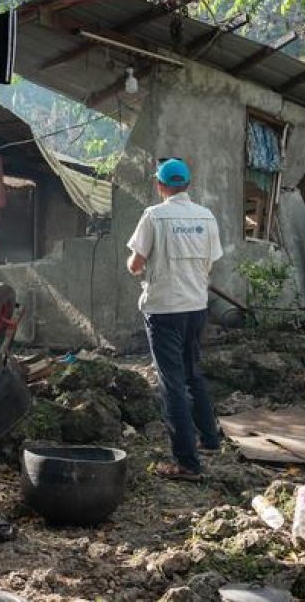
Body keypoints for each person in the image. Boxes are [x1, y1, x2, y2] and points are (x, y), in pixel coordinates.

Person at [126, 157, 223, 481]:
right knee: (193, 372)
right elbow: (210, 263)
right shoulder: (206, 217)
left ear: (160, 185)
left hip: (165, 309)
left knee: (172, 383)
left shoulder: (154, 216)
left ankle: (187, 463)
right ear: (188, 185)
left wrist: (134, 264)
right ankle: (210, 440)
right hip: (196, 307)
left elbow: (136, 264)